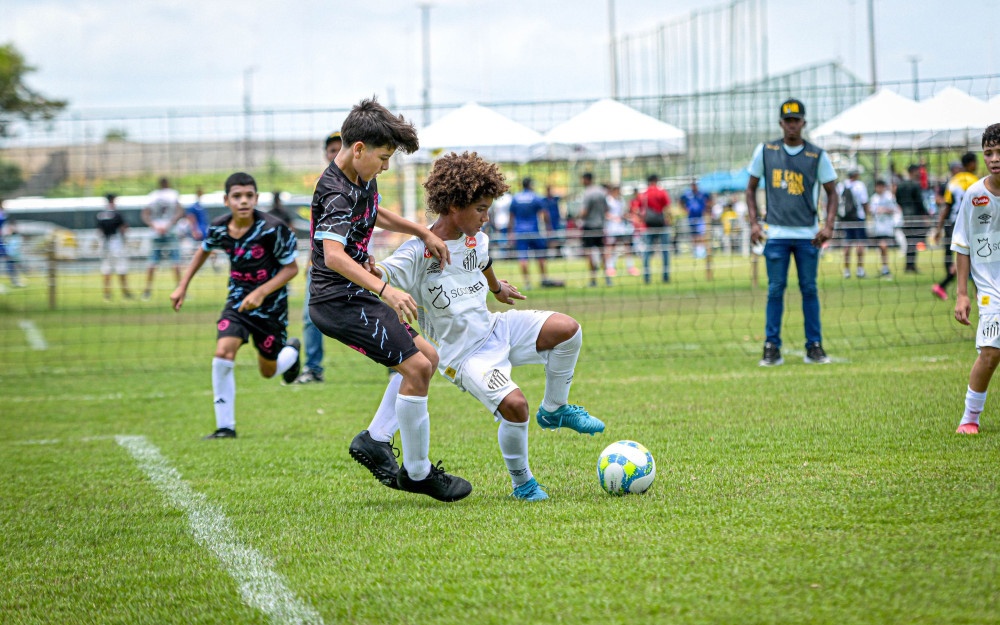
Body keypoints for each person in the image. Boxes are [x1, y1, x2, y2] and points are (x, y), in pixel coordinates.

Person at [368, 152, 604, 500]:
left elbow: (483, 259)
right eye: (480, 209)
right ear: (453, 205)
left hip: (496, 327)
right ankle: (523, 483)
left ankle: (555, 409)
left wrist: (496, 287)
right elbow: (380, 274)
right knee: (516, 406)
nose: (486, 217)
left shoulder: (475, 237)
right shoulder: (417, 252)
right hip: (464, 355)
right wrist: (369, 267)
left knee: (567, 329)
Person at [308, 97, 472, 502]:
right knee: (416, 367)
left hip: (354, 294)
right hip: (337, 301)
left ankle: (376, 439)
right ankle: (417, 473)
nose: (385, 167)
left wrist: (422, 231)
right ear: (358, 148)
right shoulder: (335, 192)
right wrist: (386, 289)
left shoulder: (360, 179)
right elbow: (333, 256)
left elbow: (374, 212)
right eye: (383, 158)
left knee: (428, 357)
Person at [170, 172, 302, 439]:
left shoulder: (273, 229)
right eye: (237, 196)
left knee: (268, 371)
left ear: (256, 198)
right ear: (226, 200)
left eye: (249, 196)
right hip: (237, 304)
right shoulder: (219, 228)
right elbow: (204, 249)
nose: (243, 201)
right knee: (223, 352)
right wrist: (183, 285)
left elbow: (291, 269)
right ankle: (225, 427)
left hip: (271, 308)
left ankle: (291, 353)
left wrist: (262, 292)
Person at [746, 98, 839, 367]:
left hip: (808, 235)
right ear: (781, 123)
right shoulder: (766, 151)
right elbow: (750, 188)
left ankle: (814, 346)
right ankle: (771, 347)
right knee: (775, 290)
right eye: (787, 121)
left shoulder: (817, 155)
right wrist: (754, 223)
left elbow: (833, 192)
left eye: (796, 120)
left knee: (809, 289)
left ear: (803, 123)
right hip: (775, 234)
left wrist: (829, 226)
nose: (792, 125)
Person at [951, 123, 1000, 435]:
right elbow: (962, 244)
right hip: (990, 289)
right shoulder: (974, 195)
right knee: (991, 351)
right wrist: (961, 294)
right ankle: (970, 418)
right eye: (989, 153)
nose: (994, 159)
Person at [293, 132, 342, 385]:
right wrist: (310, 260)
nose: (336, 154)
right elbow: (317, 227)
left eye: (340, 149)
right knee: (310, 316)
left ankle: (396, 361)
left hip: (351, 262)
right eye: (332, 150)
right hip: (321, 263)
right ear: (326, 154)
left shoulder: (362, 182)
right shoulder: (321, 184)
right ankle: (313, 368)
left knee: (375, 311)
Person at [933, 152, 980, 300]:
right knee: (973, 257)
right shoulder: (975, 181)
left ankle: (977, 291)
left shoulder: (953, 181)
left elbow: (947, 207)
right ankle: (944, 286)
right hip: (970, 224)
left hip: (954, 224)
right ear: (971, 164)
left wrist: (939, 228)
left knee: (966, 257)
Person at [508, 177, 562, 289]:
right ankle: (544, 279)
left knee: (523, 257)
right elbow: (545, 214)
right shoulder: (536, 197)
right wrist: (549, 228)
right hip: (534, 231)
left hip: (520, 232)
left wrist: (510, 232)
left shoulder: (515, 198)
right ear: (530, 185)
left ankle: (527, 283)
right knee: (541, 255)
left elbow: (511, 217)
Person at [141, 177, 184, 299]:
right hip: (170, 232)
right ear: (168, 184)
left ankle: (147, 291)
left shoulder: (152, 195)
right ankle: (180, 290)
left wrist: (154, 225)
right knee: (176, 262)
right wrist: (169, 224)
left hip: (156, 232)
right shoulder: (173, 194)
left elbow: (145, 214)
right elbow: (180, 211)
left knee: (152, 263)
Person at [95, 193, 132, 300]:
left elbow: (99, 231)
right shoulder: (116, 214)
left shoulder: (100, 214)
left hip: (105, 243)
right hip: (116, 243)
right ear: (113, 200)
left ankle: (107, 293)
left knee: (106, 268)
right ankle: (125, 292)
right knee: (121, 268)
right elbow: (123, 228)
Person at [895, 164, 929, 273]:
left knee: (909, 241)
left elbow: (897, 200)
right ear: (913, 172)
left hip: (905, 216)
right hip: (915, 217)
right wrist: (925, 215)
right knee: (913, 242)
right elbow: (920, 202)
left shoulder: (900, 185)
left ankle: (909, 265)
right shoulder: (915, 185)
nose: (919, 173)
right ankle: (911, 265)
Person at [837, 169, 869, 278]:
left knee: (847, 243)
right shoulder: (860, 185)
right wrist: (867, 215)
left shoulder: (841, 185)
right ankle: (860, 270)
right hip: (858, 217)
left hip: (846, 218)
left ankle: (846, 271)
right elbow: (864, 202)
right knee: (860, 243)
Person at [640, 173, 671, 284]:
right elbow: (667, 207)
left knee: (647, 252)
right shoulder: (661, 192)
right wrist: (668, 219)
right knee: (665, 251)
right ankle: (666, 277)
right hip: (661, 224)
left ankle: (647, 277)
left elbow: (639, 210)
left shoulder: (644, 194)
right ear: (656, 180)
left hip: (648, 225)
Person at [579, 172, 609, 287]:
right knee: (602, 252)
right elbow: (606, 209)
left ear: (587, 179)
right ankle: (607, 278)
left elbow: (584, 212)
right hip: (600, 226)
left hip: (589, 227)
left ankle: (593, 280)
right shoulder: (602, 191)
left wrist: (577, 217)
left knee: (589, 253)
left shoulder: (587, 193)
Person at [680, 179, 713, 279]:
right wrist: (685, 210)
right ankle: (695, 251)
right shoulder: (687, 194)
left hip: (700, 217)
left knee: (701, 234)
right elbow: (681, 201)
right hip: (691, 218)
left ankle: (701, 251)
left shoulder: (702, 194)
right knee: (693, 235)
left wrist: (707, 209)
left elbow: (710, 200)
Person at [604, 184, 638, 277]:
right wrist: (614, 218)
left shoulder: (621, 200)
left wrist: (628, 216)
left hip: (622, 228)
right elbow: (605, 213)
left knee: (627, 246)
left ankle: (630, 267)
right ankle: (610, 267)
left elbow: (623, 213)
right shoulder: (608, 200)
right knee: (611, 247)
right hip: (612, 227)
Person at [868, 179, 899, 278]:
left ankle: (885, 268)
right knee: (881, 248)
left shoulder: (889, 197)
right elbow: (871, 210)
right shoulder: (874, 198)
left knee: (883, 246)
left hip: (887, 226)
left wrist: (884, 210)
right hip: (877, 227)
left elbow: (895, 209)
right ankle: (884, 268)